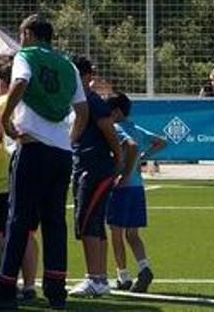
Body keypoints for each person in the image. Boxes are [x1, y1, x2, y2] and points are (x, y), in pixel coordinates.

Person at [0, 14, 89, 311]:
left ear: (27, 34)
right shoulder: (68, 65)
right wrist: (71, 140)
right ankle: (56, 289)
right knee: (54, 221)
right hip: (61, 153)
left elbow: (21, 82)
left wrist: (7, 116)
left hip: (33, 148)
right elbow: (82, 111)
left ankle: (5, 287)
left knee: (18, 219)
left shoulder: (25, 56)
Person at [68, 56, 132, 299]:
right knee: (92, 222)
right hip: (86, 167)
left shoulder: (92, 101)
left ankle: (94, 278)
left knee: (86, 223)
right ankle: (100, 278)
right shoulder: (80, 100)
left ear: (84, 76)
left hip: (93, 169)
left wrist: (118, 159)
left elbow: (108, 129)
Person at [0, 64, 39, 302]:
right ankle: (29, 285)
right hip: (31, 175)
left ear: (3, 83)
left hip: (4, 179)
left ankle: (9, 281)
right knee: (27, 233)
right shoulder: (33, 103)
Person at [106, 93, 166, 293]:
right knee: (133, 234)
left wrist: (123, 169)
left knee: (116, 232)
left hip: (120, 187)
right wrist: (143, 156)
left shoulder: (115, 129)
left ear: (116, 112)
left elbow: (129, 145)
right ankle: (144, 267)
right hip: (137, 188)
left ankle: (122, 275)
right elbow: (161, 141)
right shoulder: (136, 129)